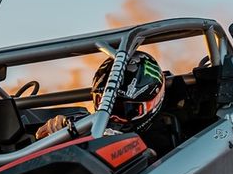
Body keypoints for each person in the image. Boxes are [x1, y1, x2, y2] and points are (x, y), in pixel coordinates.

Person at [34, 51, 166, 139]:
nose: (112, 116)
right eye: (104, 103)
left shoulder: (174, 144)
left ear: (152, 105)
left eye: (125, 110)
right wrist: (57, 130)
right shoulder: (84, 124)